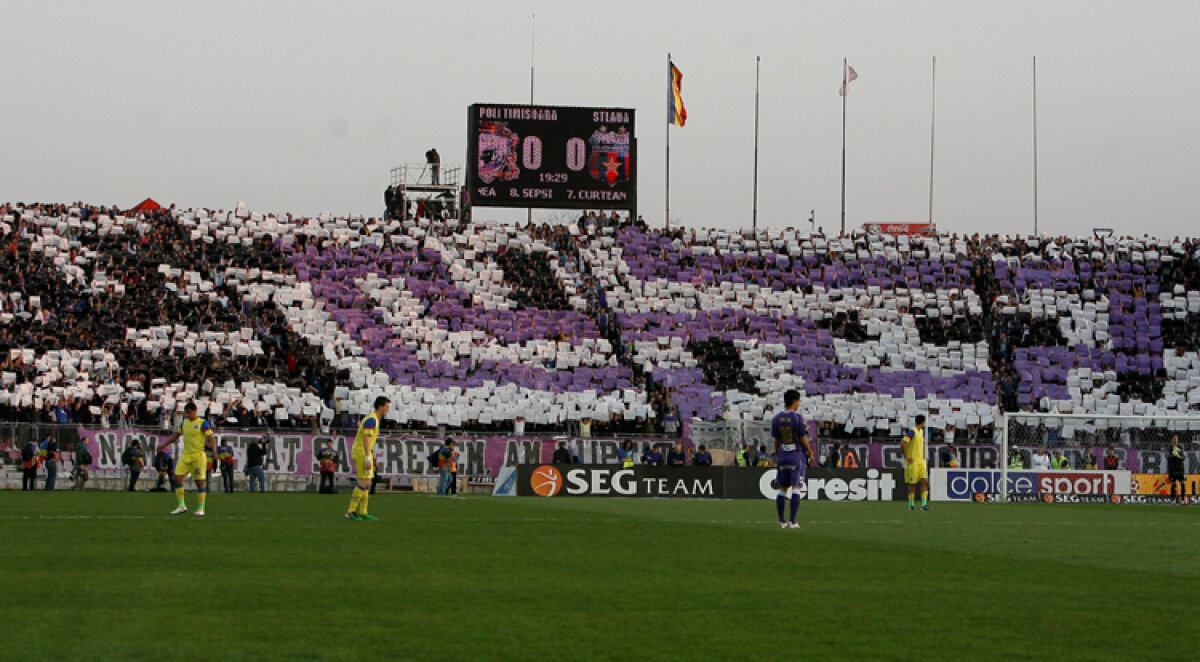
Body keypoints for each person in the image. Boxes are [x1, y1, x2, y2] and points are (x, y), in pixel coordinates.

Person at [159, 402, 216, 516]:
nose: (188, 415)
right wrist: (164, 445)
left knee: (199, 482)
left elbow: (211, 438)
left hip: (198, 456)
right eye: (186, 413)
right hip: (186, 455)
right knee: (177, 478)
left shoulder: (202, 423)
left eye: (189, 413)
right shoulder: (184, 423)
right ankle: (181, 505)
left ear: (195, 411)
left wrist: (214, 451)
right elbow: (176, 435)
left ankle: (201, 508)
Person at [771, 389, 814, 529]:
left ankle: (781, 521)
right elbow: (803, 438)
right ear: (795, 401)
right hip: (796, 455)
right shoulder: (798, 418)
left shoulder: (776, 418)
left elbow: (776, 440)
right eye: (799, 401)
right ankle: (793, 521)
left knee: (782, 489)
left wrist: (778, 455)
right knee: (796, 487)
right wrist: (810, 452)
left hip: (783, 455)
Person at [347, 396, 389, 520]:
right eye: (387, 407)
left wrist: (372, 456)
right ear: (381, 407)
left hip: (364, 451)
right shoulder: (372, 420)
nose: (388, 410)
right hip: (361, 452)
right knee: (364, 481)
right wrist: (367, 457)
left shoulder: (374, 419)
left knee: (367, 482)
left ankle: (363, 512)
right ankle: (350, 511)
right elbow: (366, 438)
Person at [902, 414, 930, 511]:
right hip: (913, 461)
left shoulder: (921, 432)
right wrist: (906, 456)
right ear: (923, 422)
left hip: (921, 461)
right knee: (912, 484)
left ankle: (924, 504)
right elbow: (903, 443)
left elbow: (921, 445)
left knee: (925, 481)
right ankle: (911, 504)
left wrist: (923, 455)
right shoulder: (912, 431)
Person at [1167, 434, 1186, 501]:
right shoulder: (1169, 448)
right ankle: (1173, 500)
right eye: (1174, 438)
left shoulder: (1181, 447)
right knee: (1173, 484)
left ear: (1178, 440)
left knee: (1182, 483)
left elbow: (1184, 457)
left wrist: (1178, 456)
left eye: (1176, 438)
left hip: (1180, 469)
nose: (1175, 440)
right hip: (1172, 469)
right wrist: (1173, 455)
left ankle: (1183, 500)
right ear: (1172, 440)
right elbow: (1167, 457)